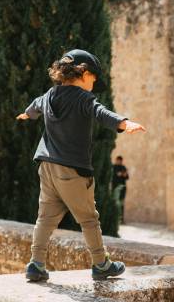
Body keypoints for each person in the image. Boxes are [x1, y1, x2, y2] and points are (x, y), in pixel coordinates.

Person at [16, 49, 146, 282]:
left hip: (46, 166)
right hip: (72, 169)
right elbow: (100, 112)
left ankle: (36, 264)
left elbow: (35, 106)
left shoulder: (49, 95)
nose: (94, 84)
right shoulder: (84, 98)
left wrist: (28, 114)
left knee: (45, 217)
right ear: (84, 73)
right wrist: (124, 123)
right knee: (88, 219)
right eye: (94, 78)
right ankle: (101, 264)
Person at [112, 155, 129, 223]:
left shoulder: (123, 167)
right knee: (114, 203)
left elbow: (126, 176)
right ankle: (114, 219)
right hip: (115, 188)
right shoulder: (113, 167)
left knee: (121, 203)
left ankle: (121, 219)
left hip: (122, 189)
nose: (119, 162)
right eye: (118, 160)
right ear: (116, 160)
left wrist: (122, 174)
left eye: (120, 161)